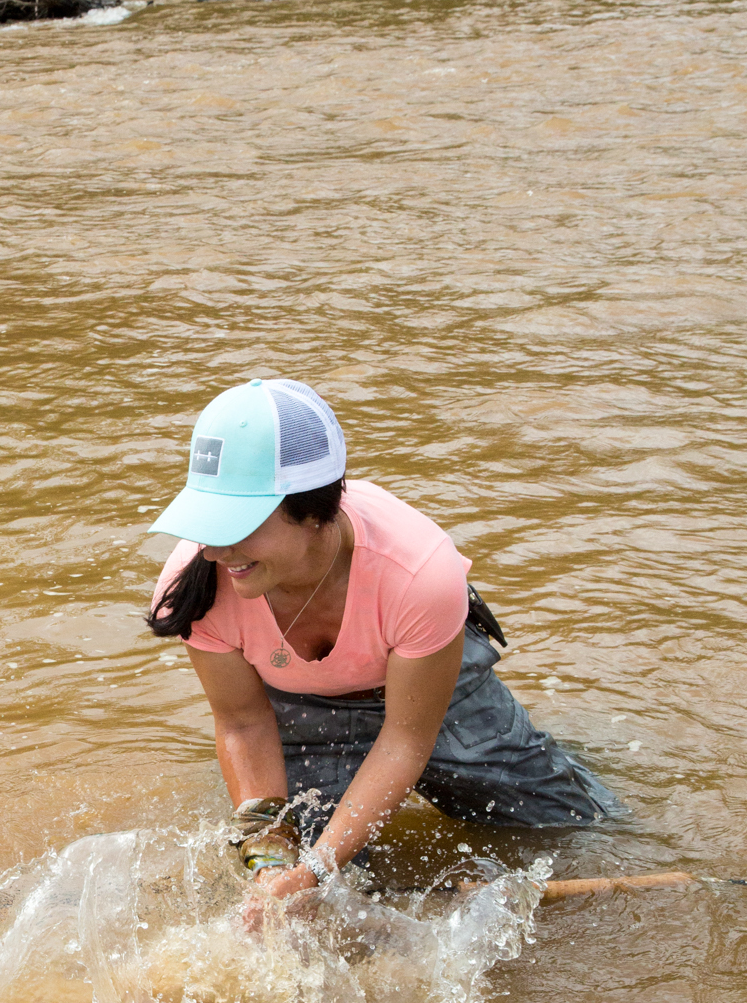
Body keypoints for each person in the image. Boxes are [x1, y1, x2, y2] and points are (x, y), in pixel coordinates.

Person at [147, 374, 622, 903]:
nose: (215, 551)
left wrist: (315, 870)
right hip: (301, 711)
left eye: (237, 526)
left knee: (580, 830)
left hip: (437, 698)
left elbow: (405, 739)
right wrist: (275, 864)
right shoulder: (192, 587)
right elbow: (242, 721)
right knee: (329, 902)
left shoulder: (420, 572)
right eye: (208, 525)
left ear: (314, 510)